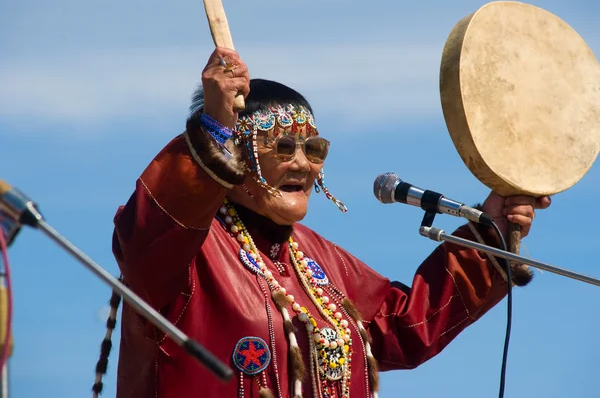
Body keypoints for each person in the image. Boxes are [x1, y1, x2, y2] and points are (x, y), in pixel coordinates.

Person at [91, 47, 551, 398]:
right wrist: (214, 125)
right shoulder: (182, 252)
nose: (303, 165)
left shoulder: (316, 258)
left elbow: (403, 326)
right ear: (233, 159)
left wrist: (486, 231)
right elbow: (148, 234)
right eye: (281, 147)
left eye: (313, 150)